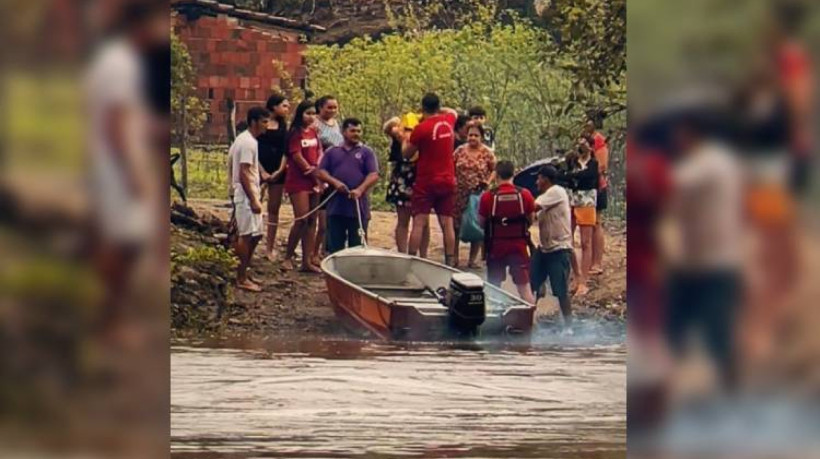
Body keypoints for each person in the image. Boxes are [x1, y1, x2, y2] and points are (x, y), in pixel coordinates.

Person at [402, 93, 459, 266]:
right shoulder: (448, 121)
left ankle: (411, 260)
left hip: (426, 180)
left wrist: (405, 138)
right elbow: (453, 111)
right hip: (448, 178)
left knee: (419, 222)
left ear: (422, 108)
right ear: (438, 106)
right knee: (447, 222)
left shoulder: (422, 128)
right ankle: (450, 260)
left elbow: (407, 154)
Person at [315, 118, 380, 253]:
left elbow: (373, 174)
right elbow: (321, 171)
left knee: (357, 247)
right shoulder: (333, 151)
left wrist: (360, 189)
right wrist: (335, 182)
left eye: (358, 131)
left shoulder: (366, 152)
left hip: (358, 207)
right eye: (352, 131)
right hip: (336, 207)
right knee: (334, 246)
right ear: (344, 132)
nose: (356, 133)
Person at [477, 160, 536, 304]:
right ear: (514, 173)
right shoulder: (525, 195)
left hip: (495, 247)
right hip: (519, 247)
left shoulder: (487, 197)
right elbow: (531, 220)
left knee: (493, 289)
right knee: (524, 289)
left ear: (496, 174)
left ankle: (494, 323)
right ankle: (530, 321)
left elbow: (481, 222)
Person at [229, 107, 270, 292]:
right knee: (246, 236)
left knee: (257, 234)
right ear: (254, 122)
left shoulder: (250, 141)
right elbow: (243, 171)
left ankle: (244, 269)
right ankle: (240, 276)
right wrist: (253, 199)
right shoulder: (246, 142)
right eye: (263, 121)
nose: (266, 126)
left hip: (251, 192)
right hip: (245, 195)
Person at [530, 165, 574, 327]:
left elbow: (532, 207)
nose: (536, 182)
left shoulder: (555, 192)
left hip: (559, 249)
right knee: (531, 285)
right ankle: (528, 321)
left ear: (546, 179)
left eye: (538, 178)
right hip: (544, 249)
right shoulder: (546, 197)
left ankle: (569, 328)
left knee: (561, 291)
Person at [282, 100, 323, 273]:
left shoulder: (314, 132)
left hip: (315, 180)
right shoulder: (295, 133)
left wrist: (319, 170)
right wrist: (310, 170)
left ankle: (307, 260)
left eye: (313, 113)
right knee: (302, 219)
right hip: (299, 180)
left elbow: (320, 151)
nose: (311, 117)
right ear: (300, 114)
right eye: (308, 113)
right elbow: (296, 156)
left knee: (312, 220)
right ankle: (288, 256)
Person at [384, 116, 430, 256]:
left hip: (420, 178)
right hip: (403, 178)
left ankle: (423, 255)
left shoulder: (424, 135)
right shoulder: (400, 134)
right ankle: (403, 254)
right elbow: (389, 126)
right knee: (404, 221)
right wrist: (400, 128)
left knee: (423, 222)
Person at [453, 123, 497, 268]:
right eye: (470, 135)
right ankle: (454, 256)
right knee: (456, 225)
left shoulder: (487, 153)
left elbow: (495, 170)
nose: (472, 138)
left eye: (476, 135)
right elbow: (451, 166)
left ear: (482, 137)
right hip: (459, 193)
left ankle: (472, 259)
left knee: (476, 225)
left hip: (478, 194)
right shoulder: (459, 151)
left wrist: (487, 182)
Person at [257, 94, 291, 262]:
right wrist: (261, 171)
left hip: (278, 170)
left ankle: (269, 247)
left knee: (274, 209)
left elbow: (286, 151)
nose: (287, 109)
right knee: (253, 204)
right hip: (258, 169)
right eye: (284, 105)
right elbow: (252, 149)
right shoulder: (260, 124)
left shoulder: (284, 127)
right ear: (273, 106)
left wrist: (280, 170)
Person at [312, 95, 343, 265]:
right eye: (328, 107)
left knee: (331, 217)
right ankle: (313, 251)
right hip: (321, 170)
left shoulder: (336, 124)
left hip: (335, 171)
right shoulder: (315, 124)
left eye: (334, 108)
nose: (332, 111)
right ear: (320, 107)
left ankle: (325, 249)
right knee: (320, 217)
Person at [568, 135, 599, 296]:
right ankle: (576, 275)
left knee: (586, 242)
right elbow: (564, 177)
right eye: (579, 142)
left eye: (585, 143)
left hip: (587, 203)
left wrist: (574, 177)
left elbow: (589, 177)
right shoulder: (572, 162)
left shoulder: (593, 163)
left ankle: (583, 281)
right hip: (571, 202)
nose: (581, 145)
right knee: (569, 240)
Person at [584, 115, 609, 274]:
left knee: (596, 222)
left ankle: (597, 262)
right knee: (588, 223)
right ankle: (589, 260)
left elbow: (602, 165)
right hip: (585, 187)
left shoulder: (599, 140)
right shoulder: (584, 140)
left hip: (597, 186)